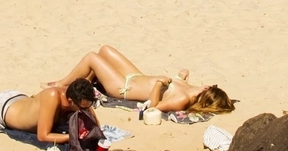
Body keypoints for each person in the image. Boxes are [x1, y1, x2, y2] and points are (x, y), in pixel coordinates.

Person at [53, 46, 233, 114]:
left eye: (211, 87)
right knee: (105, 50)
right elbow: (181, 78)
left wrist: (157, 85)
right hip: (135, 76)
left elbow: (153, 107)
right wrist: (182, 75)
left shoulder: (183, 100)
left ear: (207, 92)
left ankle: (61, 85)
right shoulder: (190, 89)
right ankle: (84, 83)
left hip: (123, 87)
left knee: (92, 57)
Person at [0, 78, 97, 146]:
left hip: (16, 99)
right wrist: (73, 137)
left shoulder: (76, 93)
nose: (86, 109)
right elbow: (43, 136)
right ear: (70, 101)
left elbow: (93, 120)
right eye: (82, 107)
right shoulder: (53, 96)